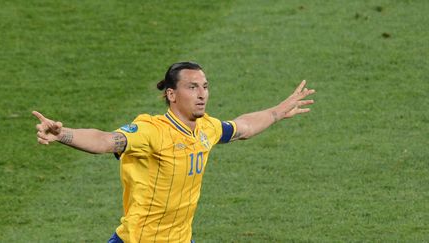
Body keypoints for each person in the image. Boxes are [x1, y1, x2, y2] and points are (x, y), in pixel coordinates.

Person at [33, 61, 315, 243]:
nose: (202, 94)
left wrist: (278, 111)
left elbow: (243, 127)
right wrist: (63, 134)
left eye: (205, 86)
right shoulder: (151, 130)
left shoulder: (206, 128)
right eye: (192, 87)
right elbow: (106, 141)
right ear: (171, 94)